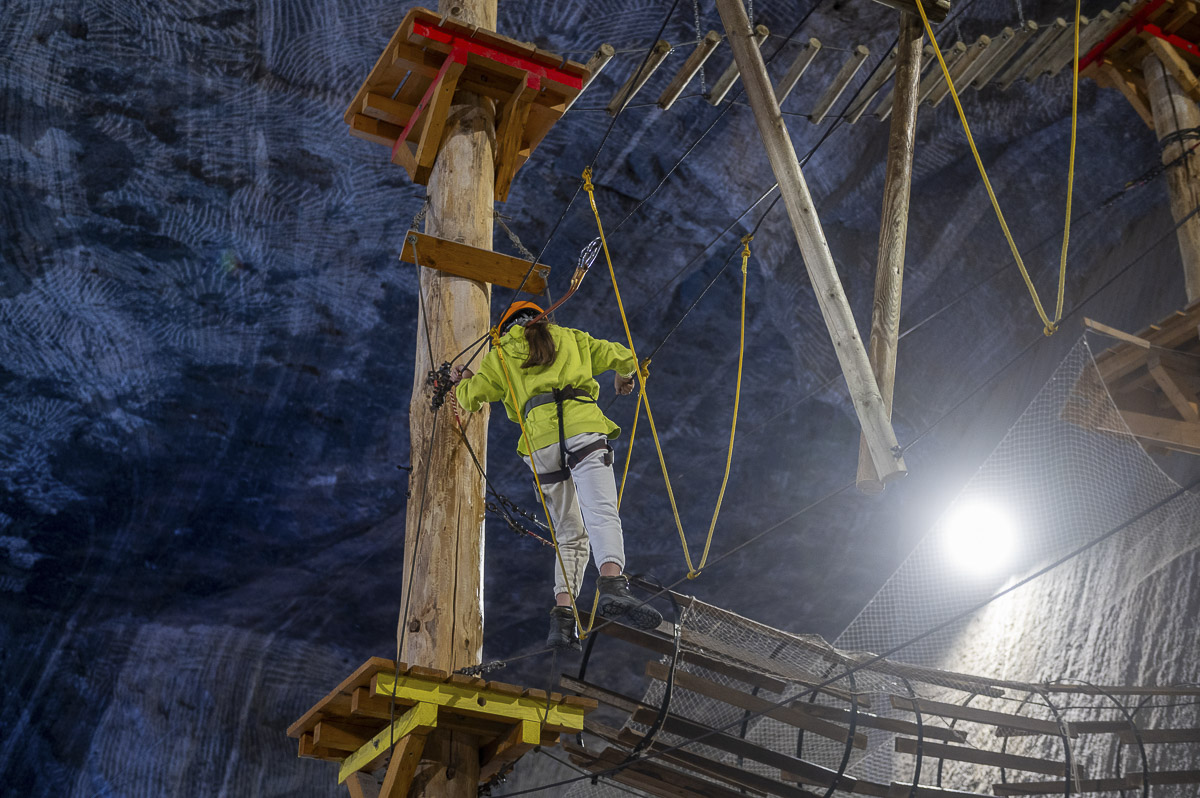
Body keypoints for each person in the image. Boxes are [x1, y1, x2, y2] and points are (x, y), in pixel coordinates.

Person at [450, 301, 663, 651]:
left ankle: (563, 619)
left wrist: (463, 381)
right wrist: (622, 377)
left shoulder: (499, 355)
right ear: (543, 318)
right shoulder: (572, 338)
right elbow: (626, 357)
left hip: (540, 447)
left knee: (569, 534)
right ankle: (612, 586)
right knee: (601, 511)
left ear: (505, 329)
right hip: (583, 431)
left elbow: (471, 399)